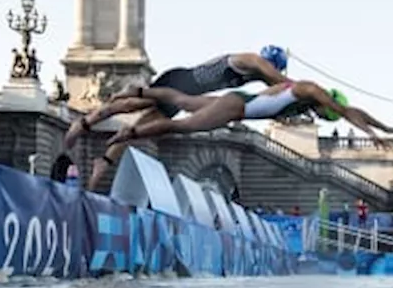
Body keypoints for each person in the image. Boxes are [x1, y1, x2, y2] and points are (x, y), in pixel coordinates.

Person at [65, 46, 291, 188]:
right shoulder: (251, 60)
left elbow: (273, 94)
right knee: (129, 105)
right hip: (179, 81)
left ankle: (102, 164)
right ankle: (83, 123)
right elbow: (281, 83)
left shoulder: (255, 75)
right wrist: (304, 93)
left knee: (138, 130)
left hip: (184, 95)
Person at [102, 79, 393, 152]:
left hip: (241, 102)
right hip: (238, 108)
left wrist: (386, 126)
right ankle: (128, 134)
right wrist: (373, 135)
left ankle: (137, 92)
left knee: (184, 100)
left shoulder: (301, 93)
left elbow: (352, 110)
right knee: (183, 126)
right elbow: (346, 111)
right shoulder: (310, 90)